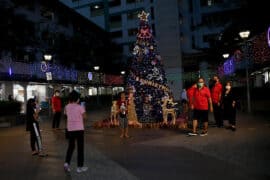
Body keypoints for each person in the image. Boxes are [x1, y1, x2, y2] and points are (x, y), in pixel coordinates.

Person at [64, 90, 88, 173]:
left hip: (70, 129)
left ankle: (67, 163)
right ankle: (79, 167)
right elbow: (85, 117)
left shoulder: (67, 106)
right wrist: (83, 109)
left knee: (71, 147)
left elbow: (66, 114)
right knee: (80, 148)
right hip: (79, 129)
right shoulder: (80, 107)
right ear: (77, 99)